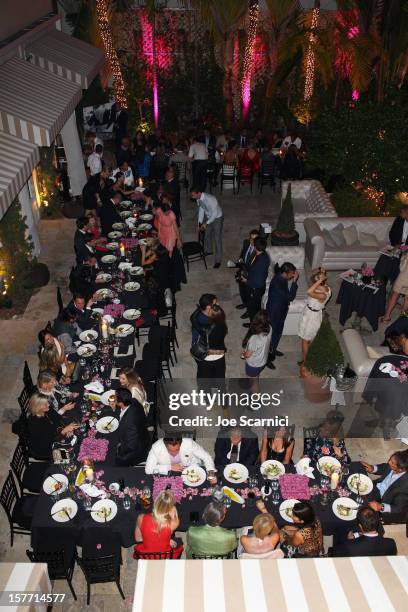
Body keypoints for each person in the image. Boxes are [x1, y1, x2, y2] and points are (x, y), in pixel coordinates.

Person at [266, 262, 299, 369]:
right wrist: (294, 282)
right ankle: (266, 358)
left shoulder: (282, 278)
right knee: (270, 335)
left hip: (281, 310)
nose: (293, 275)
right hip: (274, 312)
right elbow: (290, 297)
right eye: (292, 274)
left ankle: (273, 350)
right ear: (285, 273)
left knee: (278, 332)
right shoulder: (277, 282)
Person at [26, 393, 78, 460]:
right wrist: (64, 431)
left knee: (77, 442)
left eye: (47, 402)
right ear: (38, 407)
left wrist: (66, 429)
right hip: (45, 449)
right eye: (45, 404)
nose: (48, 404)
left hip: (56, 438)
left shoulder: (47, 409)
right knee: (71, 458)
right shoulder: (35, 424)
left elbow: (57, 419)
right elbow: (49, 441)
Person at [134, 490, 183, 558]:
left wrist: (151, 539)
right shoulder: (174, 523)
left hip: (147, 554)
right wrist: (168, 540)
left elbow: (138, 539)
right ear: (171, 508)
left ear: (155, 503)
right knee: (180, 542)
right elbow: (166, 532)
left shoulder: (141, 517)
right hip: (166, 554)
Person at [331, 507, 397, 557]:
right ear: (378, 522)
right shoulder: (391, 543)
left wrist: (349, 541)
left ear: (360, 526)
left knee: (338, 531)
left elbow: (335, 555)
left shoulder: (348, 546)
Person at [298, 268, 331, 364]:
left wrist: (320, 279)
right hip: (309, 314)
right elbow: (312, 284)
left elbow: (309, 292)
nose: (313, 283)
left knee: (305, 340)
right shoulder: (324, 287)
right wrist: (321, 273)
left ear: (321, 282)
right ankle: (306, 357)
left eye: (315, 282)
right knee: (307, 339)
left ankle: (306, 362)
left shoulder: (323, 295)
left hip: (312, 317)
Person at [191, 294, 227, 379]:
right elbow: (196, 342)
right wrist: (217, 351)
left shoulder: (198, 317)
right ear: (208, 308)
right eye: (215, 304)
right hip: (207, 357)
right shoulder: (208, 323)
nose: (218, 304)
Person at [361, 450, 408, 516]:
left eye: (392, 463)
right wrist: (373, 468)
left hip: (380, 499)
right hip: (374, 486)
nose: (389, 462)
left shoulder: (405, 487)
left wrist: (381, 507)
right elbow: (384, 467)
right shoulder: (394, 464)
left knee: (361, 509)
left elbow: (398, 508)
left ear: (400, 469)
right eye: (390, 460)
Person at [115, 388, 150, 467]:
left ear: (121, 403)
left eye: (115, 397)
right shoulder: (134, 401)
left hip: (137, 450)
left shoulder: (129, 424)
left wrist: (119, 448)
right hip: (143, 435)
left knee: (113, 461)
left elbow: (131, 446)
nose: (114, 398)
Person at [145, 435, 215, 475]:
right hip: (168, 473)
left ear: (181, 443)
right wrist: (170, 467)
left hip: (190, 469)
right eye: (170, 450)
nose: (174, 453)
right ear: (164, 445)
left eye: (177, 450)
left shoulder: (189, 443)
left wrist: (211, 471)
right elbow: (148, 469)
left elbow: (206, 457)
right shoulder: (156, 447)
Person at [190, 188, 224, 269]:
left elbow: (215, 213)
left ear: (198, 193)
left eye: (192, 194)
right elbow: (201, 209)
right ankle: (209, 250)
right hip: (209, 217)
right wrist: (199, 224)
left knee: (217, 238)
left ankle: (218, 260)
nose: (191, 196)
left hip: (217, 217)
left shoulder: (210, 199)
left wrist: (206, 223)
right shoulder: (198, 199)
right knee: (207, 235)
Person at [241, 237, 270, 324]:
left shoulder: (260, 263)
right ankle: (253, 323)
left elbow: (258, 282)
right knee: (255, 307)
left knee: (253, 309)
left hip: (255, 289)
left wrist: (246, 281)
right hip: (255, 284)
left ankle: (253, 326)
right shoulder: (262, 254)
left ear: (255, 247)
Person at [241, 310, 272, 386]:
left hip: (253, 365)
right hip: (263, 361)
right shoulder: (270, 328)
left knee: (253, 383)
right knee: (255, 376)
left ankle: (255, 396)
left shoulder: (255, 338)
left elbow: (248, 355)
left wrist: (243, 355)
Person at [235, 229, 260, 312]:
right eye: (251, 238)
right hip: (242, 270)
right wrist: (241, 258)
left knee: (249, 293)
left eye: (255, 239)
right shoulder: (246, 243)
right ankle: (244, 303)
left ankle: (249, 310)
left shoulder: (258, 250)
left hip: (250, 275)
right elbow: (243, 253)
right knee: (242, 289)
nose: (252, 241)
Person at [381, 252, 408, 321]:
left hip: (403, 278)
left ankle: (387, 316)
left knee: (394, 295)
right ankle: (401, 318)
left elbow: (402, 268)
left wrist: (403, 257)